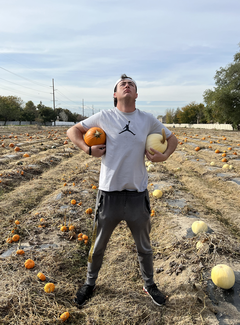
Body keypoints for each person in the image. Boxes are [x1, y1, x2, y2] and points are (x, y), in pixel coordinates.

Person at [67, 74, 178, 307]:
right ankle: (89, 284)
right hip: (109, 195)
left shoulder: (147, 120)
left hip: (138, 196)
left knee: (144, 247)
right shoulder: (105, 116)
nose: (127, 86)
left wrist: (164, 156)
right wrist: (88, 150)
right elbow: (73, 131)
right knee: (98, 245)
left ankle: (149, 285)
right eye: (122, 85)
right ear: (115, 94)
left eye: (132, 85)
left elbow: (172, 138)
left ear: (136, 95)